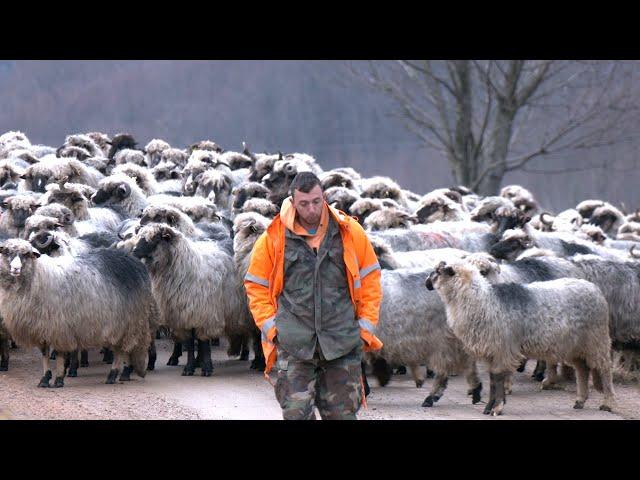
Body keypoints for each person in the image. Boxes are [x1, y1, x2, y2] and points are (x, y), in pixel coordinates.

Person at [243, 171, 383, 420]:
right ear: (293, 202)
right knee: (296, 414)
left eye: (316, 201)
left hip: (341, 341)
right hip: (295, 344)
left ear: (324, 197)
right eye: (304, 204)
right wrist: (273, 329)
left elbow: (371, 278)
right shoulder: (274, 239)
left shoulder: (349, 232)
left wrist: (365, 327)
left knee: (342, 416)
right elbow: (256, 285)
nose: (311, 209)